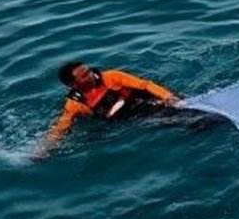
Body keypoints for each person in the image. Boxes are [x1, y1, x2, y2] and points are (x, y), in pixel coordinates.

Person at [41, 61, 181, 151]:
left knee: (181, 114)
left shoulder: (112, 76)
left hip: (147, 101)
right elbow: (61, 126)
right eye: (84, 76)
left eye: (89, 71)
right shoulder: (75, 104)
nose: (91, 75)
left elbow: (145, 85)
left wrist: (169, 97)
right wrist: (45, 148)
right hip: (130, 119)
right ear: (73, 85)